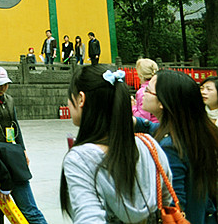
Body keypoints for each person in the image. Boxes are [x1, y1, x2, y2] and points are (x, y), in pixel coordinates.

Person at [61, 65, 171, 224]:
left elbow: (89, 218)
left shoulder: (81, 158)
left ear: (81, 99)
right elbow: (166, 200)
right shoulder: (149, 144)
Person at [136, 69, 218, 224]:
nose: (143, 94)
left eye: (148, 90)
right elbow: (151, 127)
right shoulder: (191, 131)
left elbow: (174, 204)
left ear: (162, 102)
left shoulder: (170, 147)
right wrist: (133, 121)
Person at [132, 58, 158, 122]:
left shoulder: (143, 92)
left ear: (140, 75)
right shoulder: (160, 86)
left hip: (151, 128)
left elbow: (143, 119)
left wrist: (133, 106)